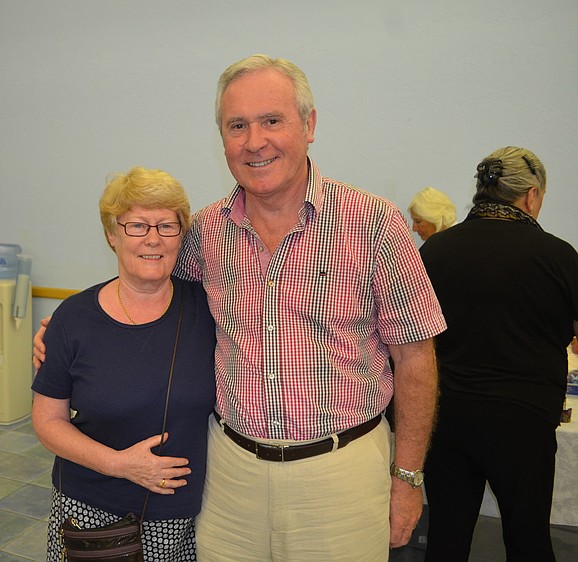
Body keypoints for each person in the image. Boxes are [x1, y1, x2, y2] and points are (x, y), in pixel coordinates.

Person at [36, 55, 446, 560]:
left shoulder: (374, 225)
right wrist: (72, 327)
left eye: (272, 120)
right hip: (230, 474)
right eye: (237, 126)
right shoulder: (206, 233)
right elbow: (147, 275)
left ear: (310, 125)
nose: (255, 141)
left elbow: (416, 358)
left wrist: (407, 479)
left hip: (340, 472)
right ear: (223, 138)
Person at [31, 167, 216, 561]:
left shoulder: (210, 308)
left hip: (184, 517)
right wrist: (121, 465)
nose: (153, 238)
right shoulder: (73, 318)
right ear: (111, 235)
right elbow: (48, 422)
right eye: (137, 225)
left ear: (181, 236)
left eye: (167, 225)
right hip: (92, 514)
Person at [419, 147, 578, 561]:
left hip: (447, 418)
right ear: (530, 196)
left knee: (446, 539)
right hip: (523, 423)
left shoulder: (434, 253)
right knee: (527, 540)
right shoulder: (559, 257)